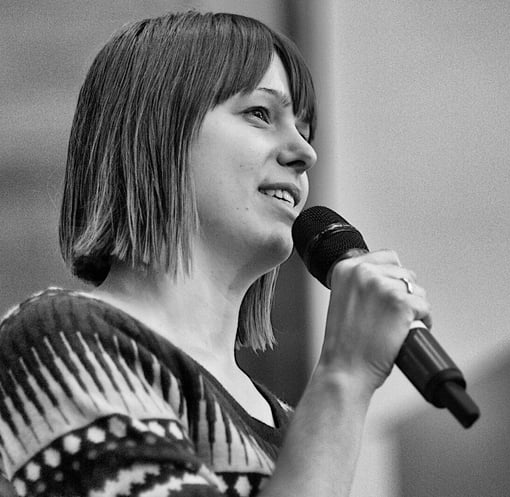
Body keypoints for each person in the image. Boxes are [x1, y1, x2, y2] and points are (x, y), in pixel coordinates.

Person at [0, 11, 430, 497]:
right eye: (261, 114)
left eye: (305, 129)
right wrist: (344, 376)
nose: (304, 152)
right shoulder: (59, 341)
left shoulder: (294, 428)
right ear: (157, 130)